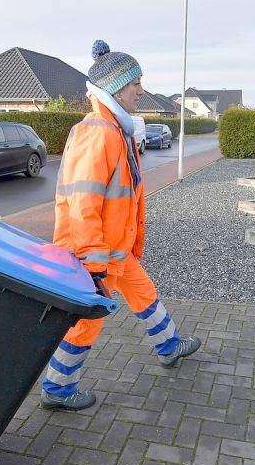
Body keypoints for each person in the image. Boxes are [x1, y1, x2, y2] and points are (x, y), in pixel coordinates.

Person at [40, 40, 201, 411]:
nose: (141, 91)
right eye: (135, 83)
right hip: (94, 254)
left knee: (143, 291)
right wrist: (94, 264)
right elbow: (83, 203)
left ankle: (168, 344)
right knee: (86, 321)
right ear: (114, 88)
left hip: (114, 248)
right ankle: (58, 388)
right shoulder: (99, 132)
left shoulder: (115, 129)